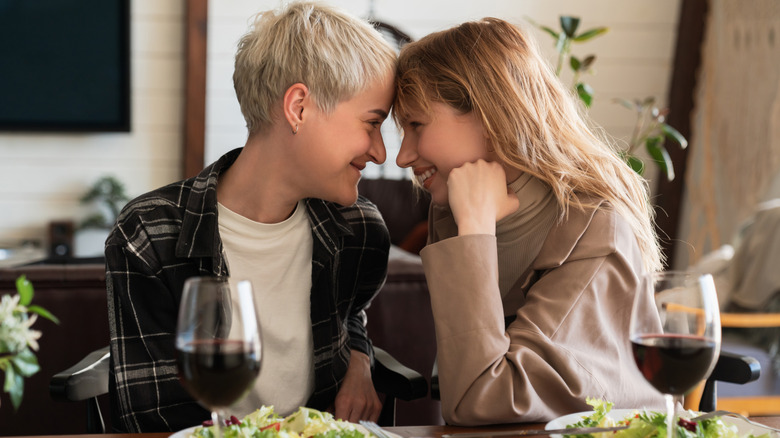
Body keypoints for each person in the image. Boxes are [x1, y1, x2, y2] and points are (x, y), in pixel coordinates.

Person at [105, 1, 396, 432]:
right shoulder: (148, 235)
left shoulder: (360, 231)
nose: (380, 152)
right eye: (372, 123)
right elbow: (158, 419)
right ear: (298, 107)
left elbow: (350, 312)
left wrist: (359, 356)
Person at [392, 18, 666, 425]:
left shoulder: (593, 225)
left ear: (488, 114)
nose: (403, 156)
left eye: (416, 125)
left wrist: (476, 231)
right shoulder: (455, 207)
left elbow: (480, 399)